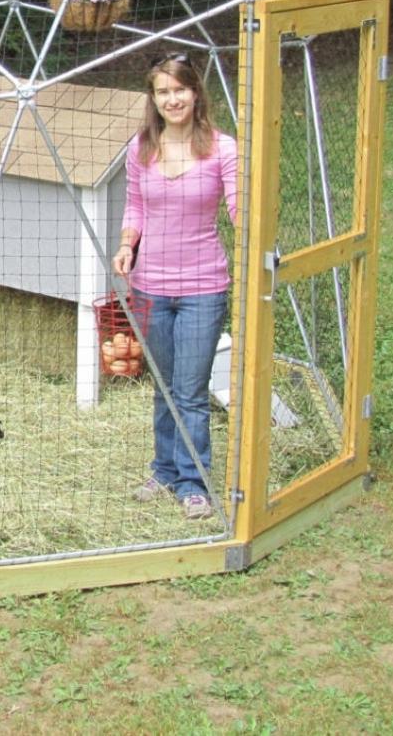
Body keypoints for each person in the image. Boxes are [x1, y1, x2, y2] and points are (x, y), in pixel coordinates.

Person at [111, 52, 238, 520]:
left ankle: (194, 482)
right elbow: (135, 210)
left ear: (196, 92)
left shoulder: (224, 148)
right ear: (153, 99)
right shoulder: (142, 148)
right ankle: (163, 470)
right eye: (162, 92)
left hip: (204, 286)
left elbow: (238, 207)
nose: (172, 99)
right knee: (163, 387)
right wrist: (128, 246)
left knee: (189, 390)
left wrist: (251, 230)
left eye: (179, 90)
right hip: (149, 287)